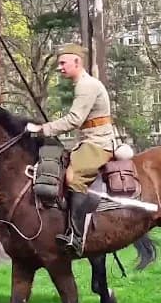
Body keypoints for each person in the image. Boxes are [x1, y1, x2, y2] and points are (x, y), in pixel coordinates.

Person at [25, 43, 115, 256]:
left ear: (77, 62)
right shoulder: (81, 84)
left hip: (99, 143)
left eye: (63, 63)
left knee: (73, 176)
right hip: (87, 142)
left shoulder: (87, 85)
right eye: (59, 64)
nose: (60, 67)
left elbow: (75, 119)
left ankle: (75, 236)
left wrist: (43, 129)